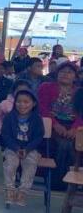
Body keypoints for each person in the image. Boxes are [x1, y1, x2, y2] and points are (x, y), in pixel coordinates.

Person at [38, 62, 81, 190]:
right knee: (64, 144)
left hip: (74, 126)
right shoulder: (46, 87)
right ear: (57, 73)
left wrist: (75, 128)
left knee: (75, 146)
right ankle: (58, 183)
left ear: (75, 76)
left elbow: (82, 114)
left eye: (69, 72)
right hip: (50, 125)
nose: (65, 74)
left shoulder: (80, 92)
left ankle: (72, 180)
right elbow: (42, 109)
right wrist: (55, 125)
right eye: (62, 71)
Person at [1, 90, 45, 206]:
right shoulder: (9, 117)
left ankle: (23, 192)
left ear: (33, 103)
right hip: (12, 147)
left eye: (26, 102)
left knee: (30, 163)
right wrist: (16, 148)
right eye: (19, 102)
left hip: (30, 149)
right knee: (10, 163)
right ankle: (9, 190)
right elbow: (5, 135)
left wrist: (27, 149)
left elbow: (39, 137)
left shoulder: (37, 119)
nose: (22, 105)